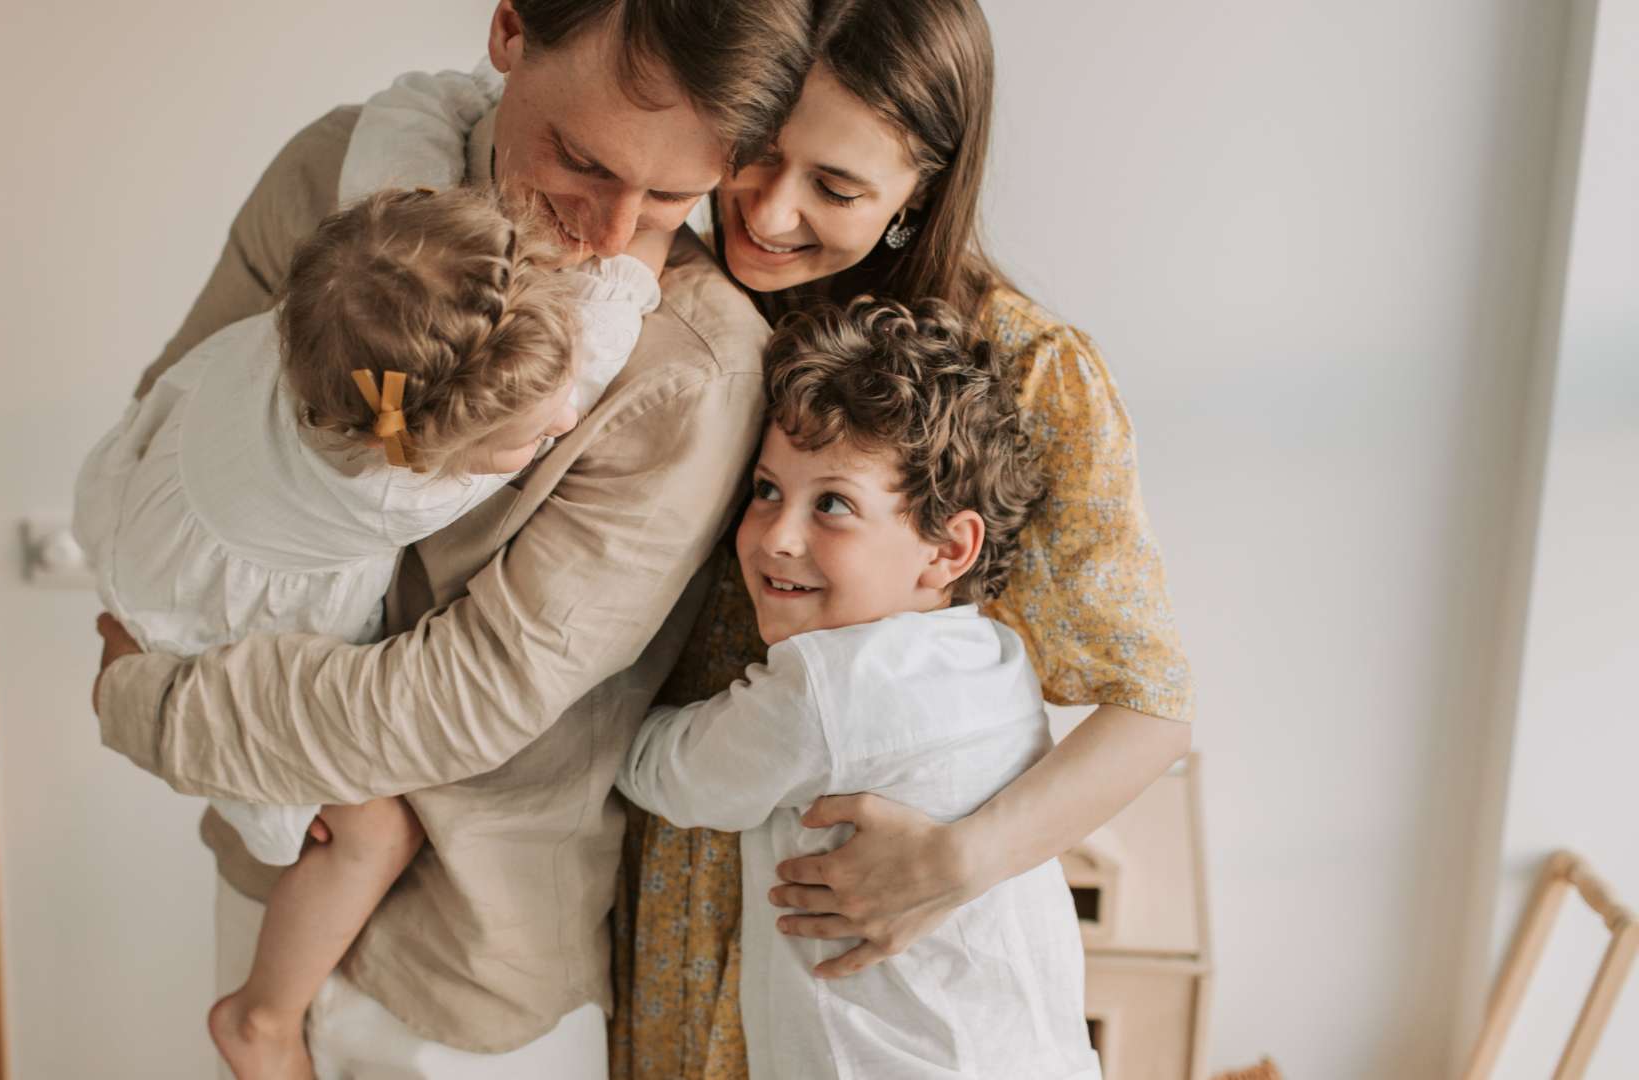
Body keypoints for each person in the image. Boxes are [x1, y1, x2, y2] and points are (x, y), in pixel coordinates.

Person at [89, 1, 814, 1076]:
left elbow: (476, 691)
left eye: (672, 194)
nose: (611, 235)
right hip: (267, 868)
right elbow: (181, 426)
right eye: (580, 159)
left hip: (470, 967)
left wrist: (151, 705)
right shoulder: (333, 174)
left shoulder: (693, 368)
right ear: (511, 33)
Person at [611, 0, 1194, 1074]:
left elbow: (1150, 711)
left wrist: (952, 864)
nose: (770, 210)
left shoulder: (1026, 373)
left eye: (835, 186)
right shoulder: (660, 293)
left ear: (920, 188)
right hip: (671, 899)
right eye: (757, 151)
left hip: (863, 930)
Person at [74, 184, 661, 1079]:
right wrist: (653, 224)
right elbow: (616, 315)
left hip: (147, 520)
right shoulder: (396, 484)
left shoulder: (346, 301)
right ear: (428, 449)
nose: (567, 422)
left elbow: (401, 135)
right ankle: (261, 1019)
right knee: (374, 832)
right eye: (529, 439)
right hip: (195, 620)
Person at [615, 296, 1100, 1080]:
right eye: (767, 490)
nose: (777, 534)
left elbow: (676, 774)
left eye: (831, 504)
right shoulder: (998, 658)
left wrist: (596, 708)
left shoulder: (828, 687)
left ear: (948, 547)